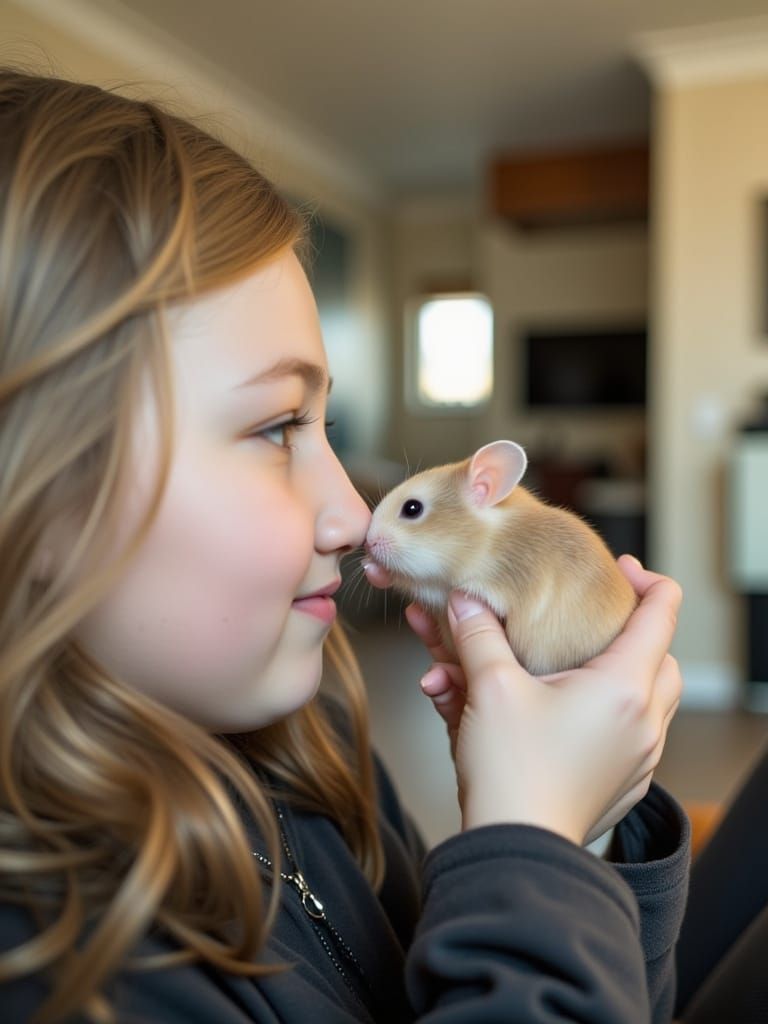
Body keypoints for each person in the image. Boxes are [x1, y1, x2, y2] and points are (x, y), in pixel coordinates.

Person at [0, 67, 688, 1024]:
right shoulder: (63, 967)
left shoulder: (316, 750)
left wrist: (590, 827)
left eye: (325, 424)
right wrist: (531, 846)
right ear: (31, 488)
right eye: (278, 425)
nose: (346, 509)